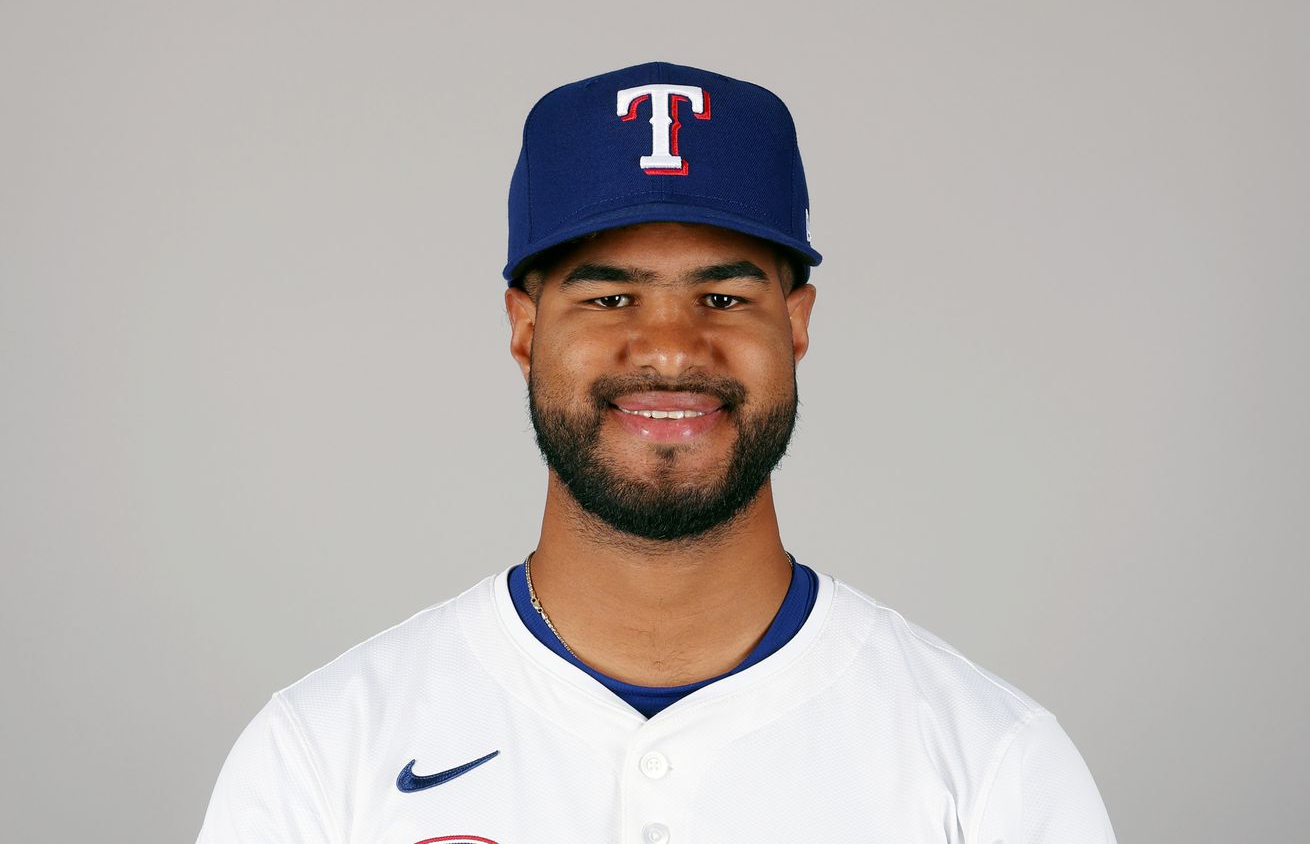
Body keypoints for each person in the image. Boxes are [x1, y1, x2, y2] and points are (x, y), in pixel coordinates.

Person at [197, 61, 1117, 843]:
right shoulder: (321, 756)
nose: (672, 351)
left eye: (724, 298)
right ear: (525, 328)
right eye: (610, 299)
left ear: (797, 324)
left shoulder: (991, 767)